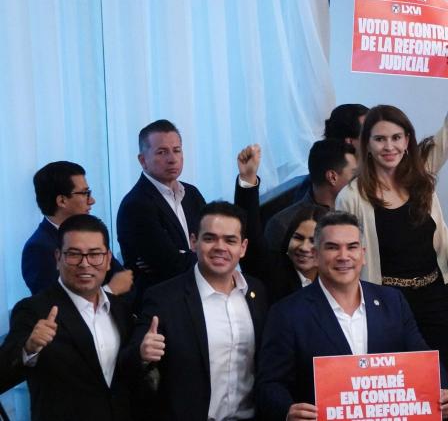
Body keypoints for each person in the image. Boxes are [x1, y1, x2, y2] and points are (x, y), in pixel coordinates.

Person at [254, 211, 448, 421]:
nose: (344, 256)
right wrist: (287, 410)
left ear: (363, 254)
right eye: (332, 247)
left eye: (351, 247)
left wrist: (442, 390)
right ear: (315, 254)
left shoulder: (392, 301)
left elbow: (422, 359)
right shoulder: (286, 313)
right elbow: (269, 384)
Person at [335, 43, 448, 354]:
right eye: (379, 139)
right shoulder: (351, 196)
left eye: (396, 138)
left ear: (407, 140)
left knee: (440, 373)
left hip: (435, 295)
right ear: (366, 145)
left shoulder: (423, 169)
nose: (389, 146)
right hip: (385, 301)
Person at [131, 201, 268, 421]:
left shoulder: (257, 292)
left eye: (230, 240)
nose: (220, 247)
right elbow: (129, 360)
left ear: (242, 248)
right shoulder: (164, 297)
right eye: (210, 238)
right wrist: (142, 354)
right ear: (193, 242)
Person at [0, 215, 135, 420]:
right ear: (57, 258)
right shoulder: (34, 310)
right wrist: (28, 349)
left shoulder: (121, 309)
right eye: (73, 254)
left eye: (95, 254)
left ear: (108, 260)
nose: (85, 264)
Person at [116, 119, 207, 305]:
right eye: (162, 152)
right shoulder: (136, 205)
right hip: (161, 305)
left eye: (177, 150)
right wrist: (198, 252)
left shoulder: (192, 194)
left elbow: (213, 239)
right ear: (143, 160)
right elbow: (169, 264)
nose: (172, 159)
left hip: (198, 296)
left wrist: (190, 252)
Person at [23, 161, 132, 296]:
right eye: (85, 193)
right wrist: (110, 291)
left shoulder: (91, 232)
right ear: (62, 201)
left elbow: (123, 279)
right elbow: (53, 305)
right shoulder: (39, 249)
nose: (92, 200)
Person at [235, 144, 326, 303]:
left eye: (313, 240)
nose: (304, 247)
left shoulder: (335, 278)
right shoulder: (273, 271)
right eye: (298, 237)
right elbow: (251, 235)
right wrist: (248, 180)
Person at [265, 139, 357, 248]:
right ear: (332, 177)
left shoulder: (360, 208)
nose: (360, 180)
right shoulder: (283, 225)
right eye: (354, 175)